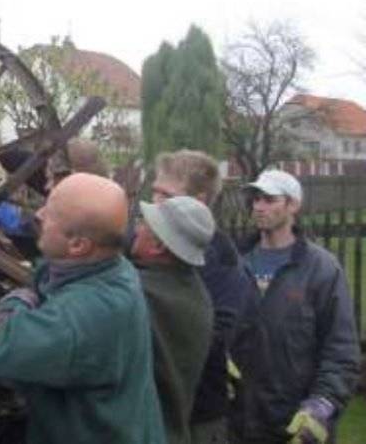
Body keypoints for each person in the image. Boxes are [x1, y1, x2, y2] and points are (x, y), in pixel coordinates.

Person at [0, 173, 166, 444]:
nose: (39, 214)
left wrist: (17, 299)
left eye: (51, 214)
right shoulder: (116, 270)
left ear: (78, 245)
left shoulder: (87, 314)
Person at [230, 170, 361, 444]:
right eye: (255, 199)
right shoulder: (234, 263)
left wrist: (322, 405)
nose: (258, 206)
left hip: (294, 424)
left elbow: (341, 351)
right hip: (237, 424)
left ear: (293, 205)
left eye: (269, 199)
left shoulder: (322, 269)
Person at [152, 150, 252, 444]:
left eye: (166, 195)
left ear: (197, 202)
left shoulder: (223, 261)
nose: (156, 203)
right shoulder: (153, 246)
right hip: (159, 408)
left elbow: (212, 337)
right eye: (154, 192)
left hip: (198, 416)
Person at [132, 196, 215, 444]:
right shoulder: (193, 291)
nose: (137, 229)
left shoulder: (142, 292)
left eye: (145, 224)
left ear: (158, 245)